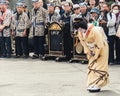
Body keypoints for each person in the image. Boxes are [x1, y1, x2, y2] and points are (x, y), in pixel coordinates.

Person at [73, 18, 109, 92]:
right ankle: (92, 83)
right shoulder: (80, 32)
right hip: (91, 49)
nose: (79, 31)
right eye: (78, 29)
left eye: (80, 29)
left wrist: (95, 54)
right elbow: (83, 43)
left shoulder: (94, 30)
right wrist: (88, 51)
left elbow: (99, 43)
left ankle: (98, 84)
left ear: (83, 26)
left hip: (102, 49)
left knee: (100, 67)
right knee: (92, 66)